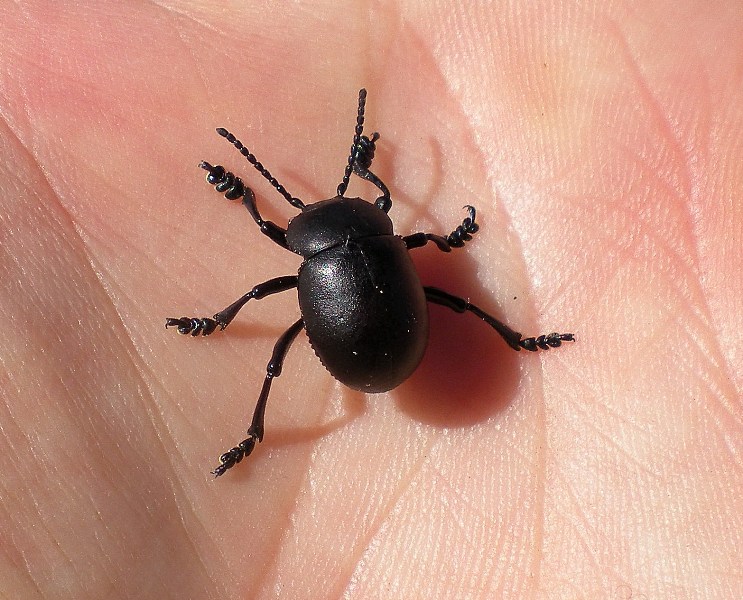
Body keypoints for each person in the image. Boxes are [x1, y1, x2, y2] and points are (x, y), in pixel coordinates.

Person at [1, 2, 741, 597]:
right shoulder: (382, 229)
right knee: (438, 313)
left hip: (373, 350)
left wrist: (245, 197)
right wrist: (432, 230)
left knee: (275, 356)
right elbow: (378, 211)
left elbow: (285, 223)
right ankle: (513, 342)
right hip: (384, 343)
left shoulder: (335, 241)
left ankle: (252, 417)